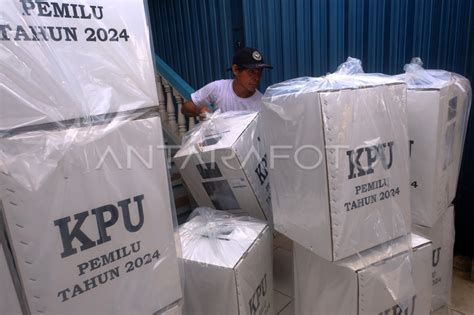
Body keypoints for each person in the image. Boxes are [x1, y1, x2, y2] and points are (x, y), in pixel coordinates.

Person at [181, 47, 273, 118]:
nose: (256, 78)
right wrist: (200, 111)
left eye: (260, 72)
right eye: (251, 72)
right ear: (235, 70)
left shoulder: (261, 103)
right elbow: (185, 108)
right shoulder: (218, 88)